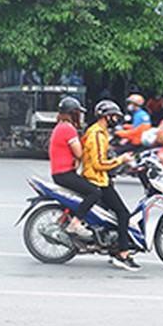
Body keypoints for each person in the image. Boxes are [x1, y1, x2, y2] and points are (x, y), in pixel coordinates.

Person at [82, 100, 140, 270]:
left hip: (99, 178)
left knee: (113, 214)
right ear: (106, 116)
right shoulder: (97, 135)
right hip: (97, 180)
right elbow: (99, 163)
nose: (116, 119)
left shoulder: (99, 132)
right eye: (114, 116)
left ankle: (112, 246)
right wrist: (120, 160)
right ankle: (122, 254)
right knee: (123, 214)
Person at [49, 95, 101, 239]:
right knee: (95, 193)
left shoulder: (60, 127)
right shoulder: (68, 129)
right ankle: (76, 222)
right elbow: (79, 152)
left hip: (61, 173)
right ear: (73, 113)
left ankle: (79, 219)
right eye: (79, 113)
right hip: (64, 174)